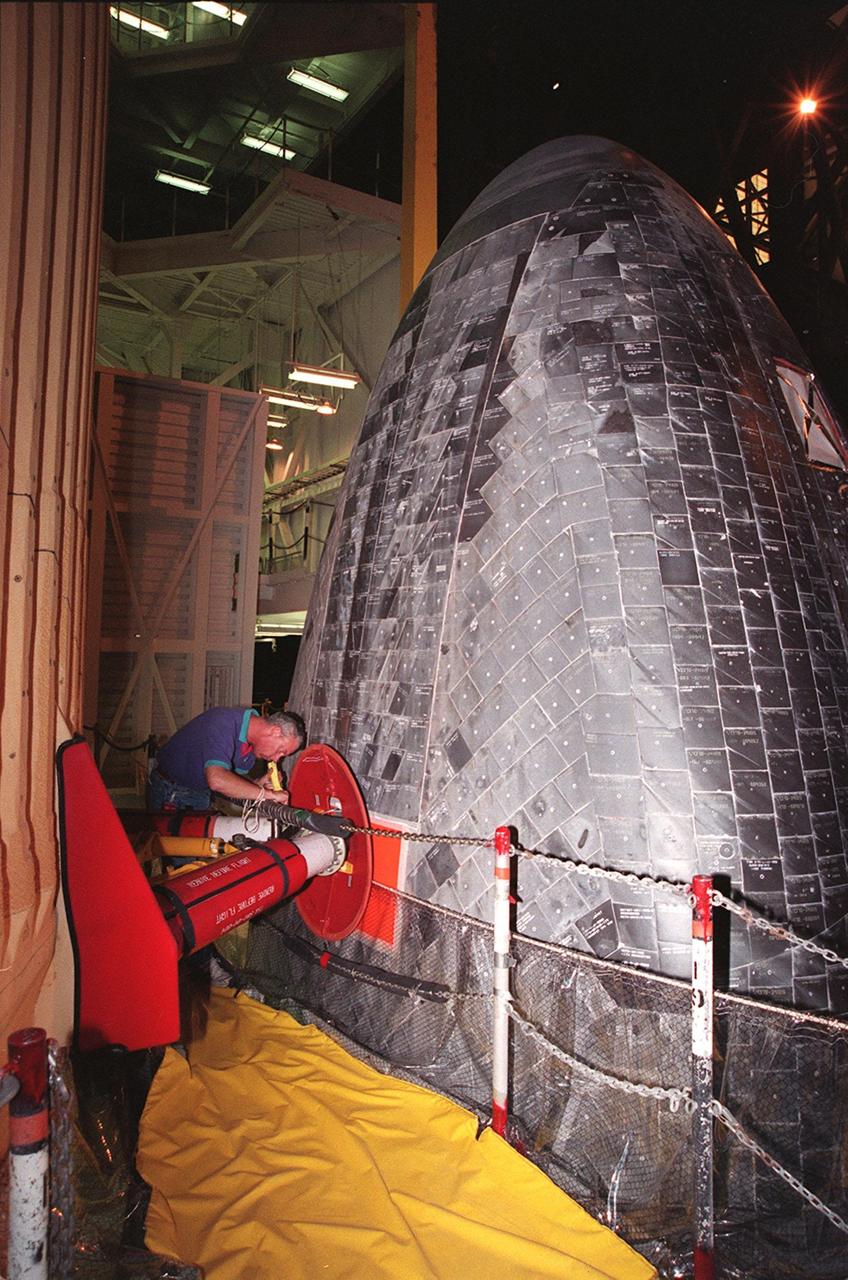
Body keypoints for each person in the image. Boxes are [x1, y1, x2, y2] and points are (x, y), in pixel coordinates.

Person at [149, 707, 306, 812]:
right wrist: (268, 795)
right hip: (170, 789)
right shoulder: (223, 722)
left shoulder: (252, 751)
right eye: (280, 751)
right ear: (275, 731)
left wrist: (259, 784)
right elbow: (217, 780)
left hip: (199, 792)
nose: (277, 759)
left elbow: (230, 785)